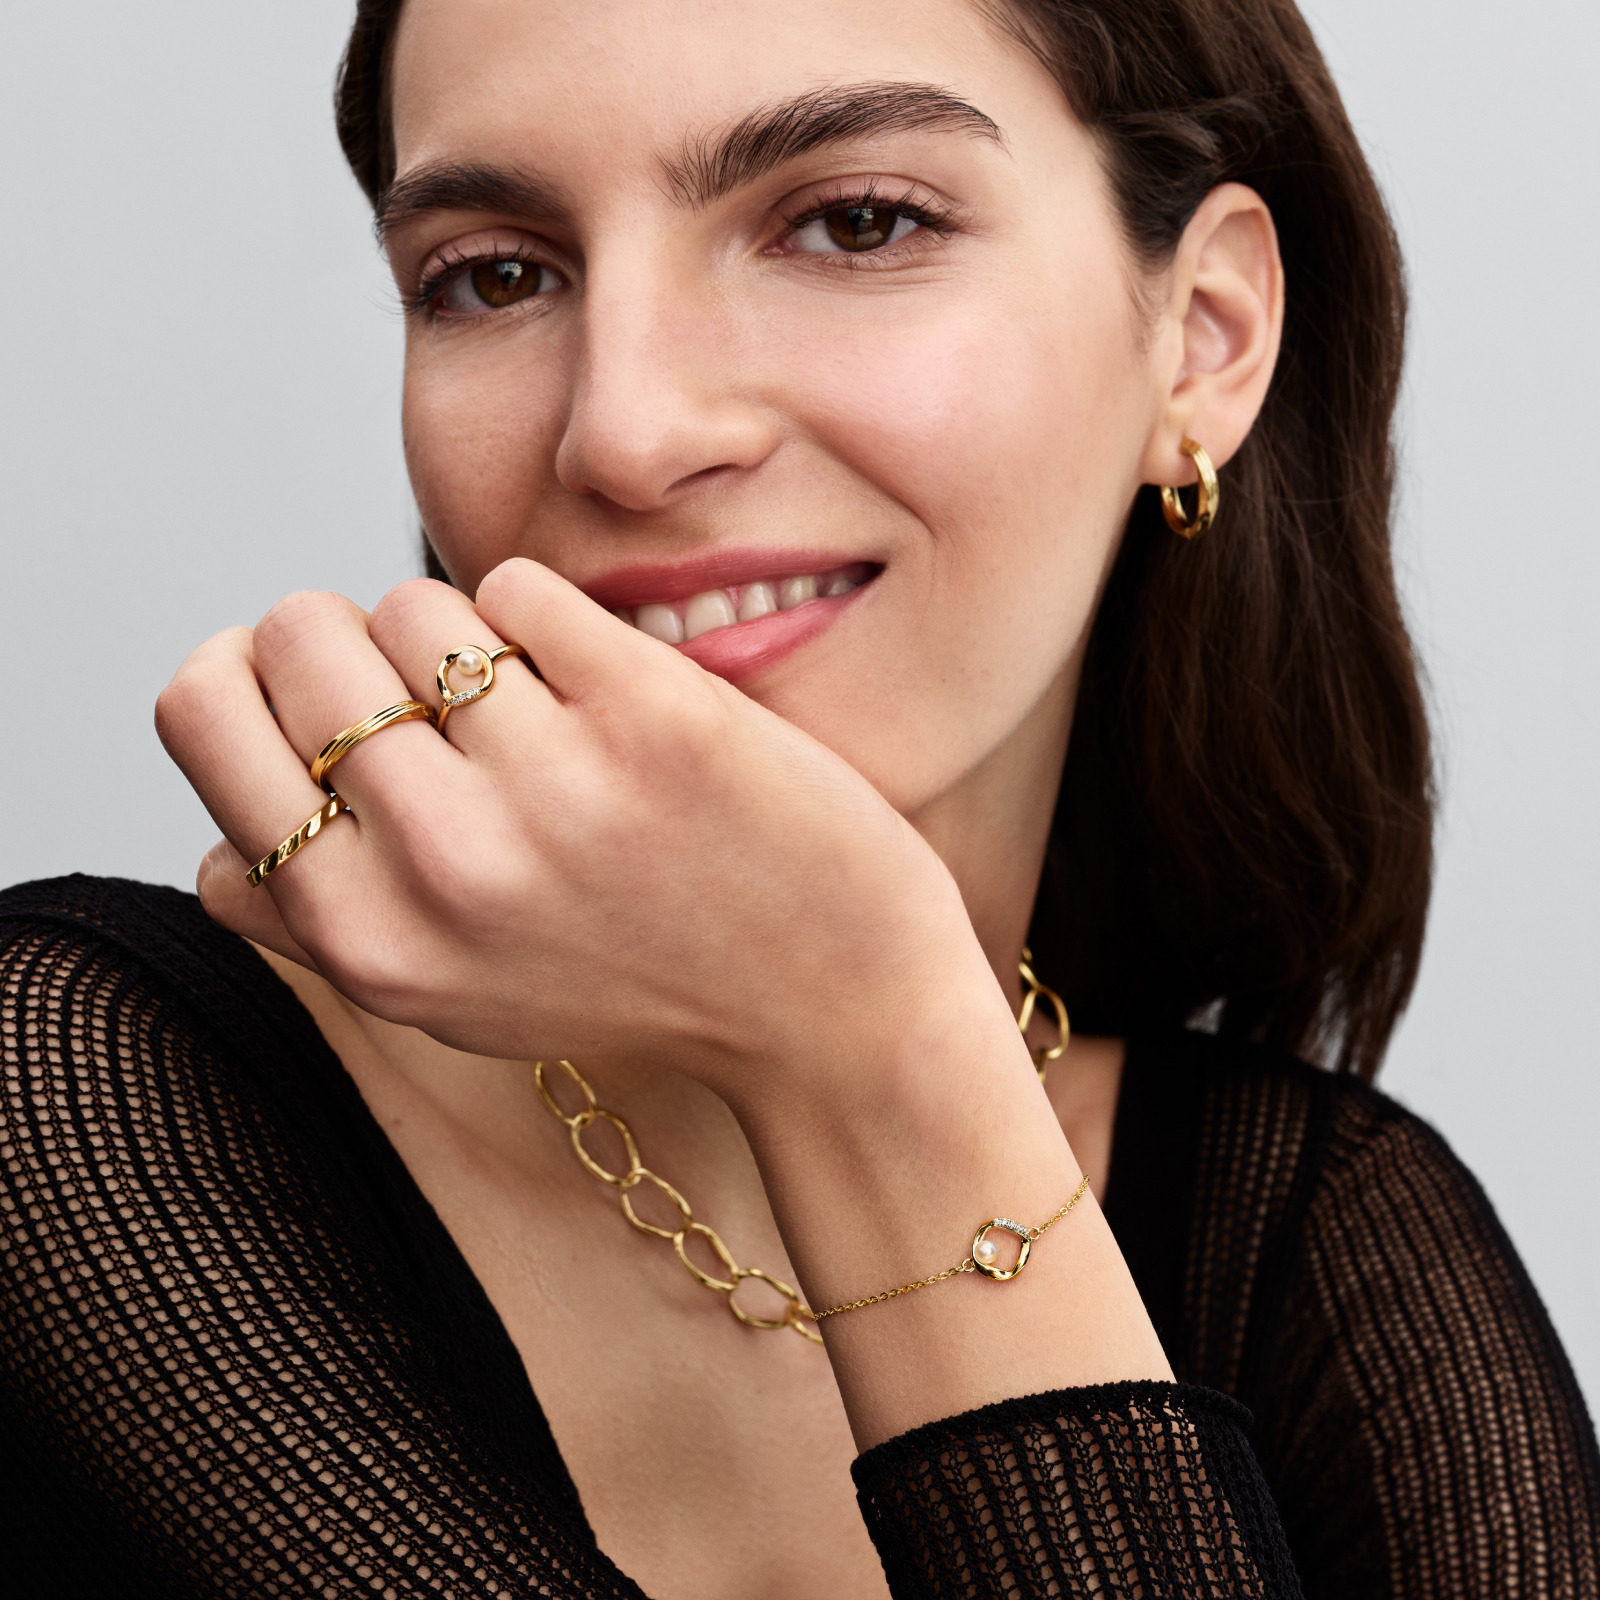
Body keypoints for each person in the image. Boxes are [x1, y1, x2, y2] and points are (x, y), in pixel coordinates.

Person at [1, 0, 1596, 1593]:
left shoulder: (1319, 1224)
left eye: (854, 223)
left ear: (1203, 338)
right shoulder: (67, 1101)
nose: (626, 432)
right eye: (495, 275)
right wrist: (873, 1044)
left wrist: (874, 1053)